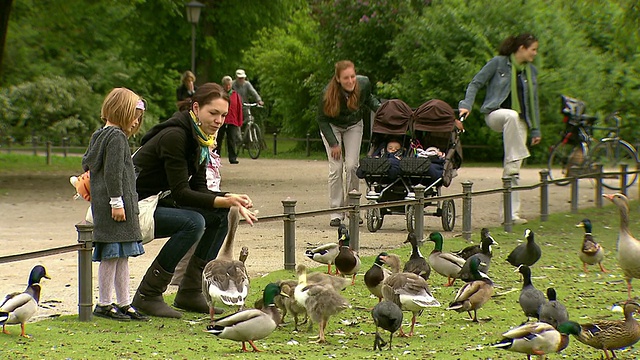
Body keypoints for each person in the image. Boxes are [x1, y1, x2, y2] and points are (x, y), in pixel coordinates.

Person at [132, 82, 258, 318]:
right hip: (136, 207)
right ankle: (148, 294)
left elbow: (198, 188)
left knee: (220, 216)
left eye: (223, 115)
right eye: (213, 113)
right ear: (196, 108)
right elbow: (181, 193)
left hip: (158, 201)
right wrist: (227, 200)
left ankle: (190, 291)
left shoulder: (201, 138)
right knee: (193, 222)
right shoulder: (175, 136)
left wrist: (229, 199)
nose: (219, 120)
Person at [458, 33, 541, 225]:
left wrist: (535, 129)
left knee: (513, 169)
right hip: (496, 114)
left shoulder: (531, 72)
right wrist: (466, 105)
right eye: (533, 49)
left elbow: (533, 102)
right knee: (510, 115)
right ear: (521, 48)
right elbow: (475, 83)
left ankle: (510, 215)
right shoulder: (498, 63)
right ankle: (517, 155)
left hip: (520, 121)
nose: (535, 53)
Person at [82, 88, 148, 321]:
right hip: (116, 207)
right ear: (122, 112)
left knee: (120, 255)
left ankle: (123, 302)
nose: (136, 121)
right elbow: (113, 173)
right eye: (134, 115)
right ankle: (105, 303)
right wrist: (117, 202)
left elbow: (89, 165)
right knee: (112, 255)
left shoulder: (100, 135)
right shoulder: (117, 138)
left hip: (108, 205)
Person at [317, 60, 381, 227]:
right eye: (346, 78)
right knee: (336, 167)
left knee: (352, 166)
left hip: (354, 124)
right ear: (338, 79)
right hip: (332, 127)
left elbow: (370, 100)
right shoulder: (327, 95)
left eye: (352, 76)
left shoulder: (363, 84)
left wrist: (384, 110)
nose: (351, 81)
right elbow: (322, 120)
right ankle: (336, 212)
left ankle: (352, 208)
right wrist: (333, 143)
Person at [214, 75, 243, 164]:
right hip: (221, 120)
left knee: (232, 139)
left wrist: (239, 121)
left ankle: (232, 157)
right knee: (218, 139)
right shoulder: (219, 95)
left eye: (229, 85)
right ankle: (216, 156)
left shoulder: (235, 95)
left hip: (232, 120)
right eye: (226, 85)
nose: (228, 87)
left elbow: (239, 108)